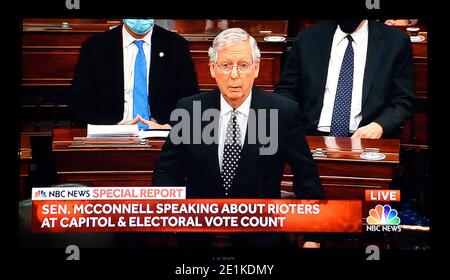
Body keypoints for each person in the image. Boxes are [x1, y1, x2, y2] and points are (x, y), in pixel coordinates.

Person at [152, 28, 325, 248]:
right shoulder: (190, 110)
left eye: (243, 65)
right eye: (225, 65)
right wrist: (173, 216)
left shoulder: (282, 113)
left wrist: (313, 237)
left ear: (256, 68)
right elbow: (168, 171)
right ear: (212, 69)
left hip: (262, 239)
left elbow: (307, 178)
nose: (234, 75)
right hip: (198, 236)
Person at [276, 20, 415, 139]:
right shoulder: (308, 38)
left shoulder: (395, 42)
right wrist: (293, 124)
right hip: (311, 134)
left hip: (367, 137)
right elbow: (287, 90)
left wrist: (380, 125)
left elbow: (403, 100)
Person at [70, 18, 199, 129]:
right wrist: (113, 128)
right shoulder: (96, 46)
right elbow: (79, 104)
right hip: (111, 134)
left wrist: (168, 126)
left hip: (161, 133)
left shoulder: (176, 46)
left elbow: (191, 100)